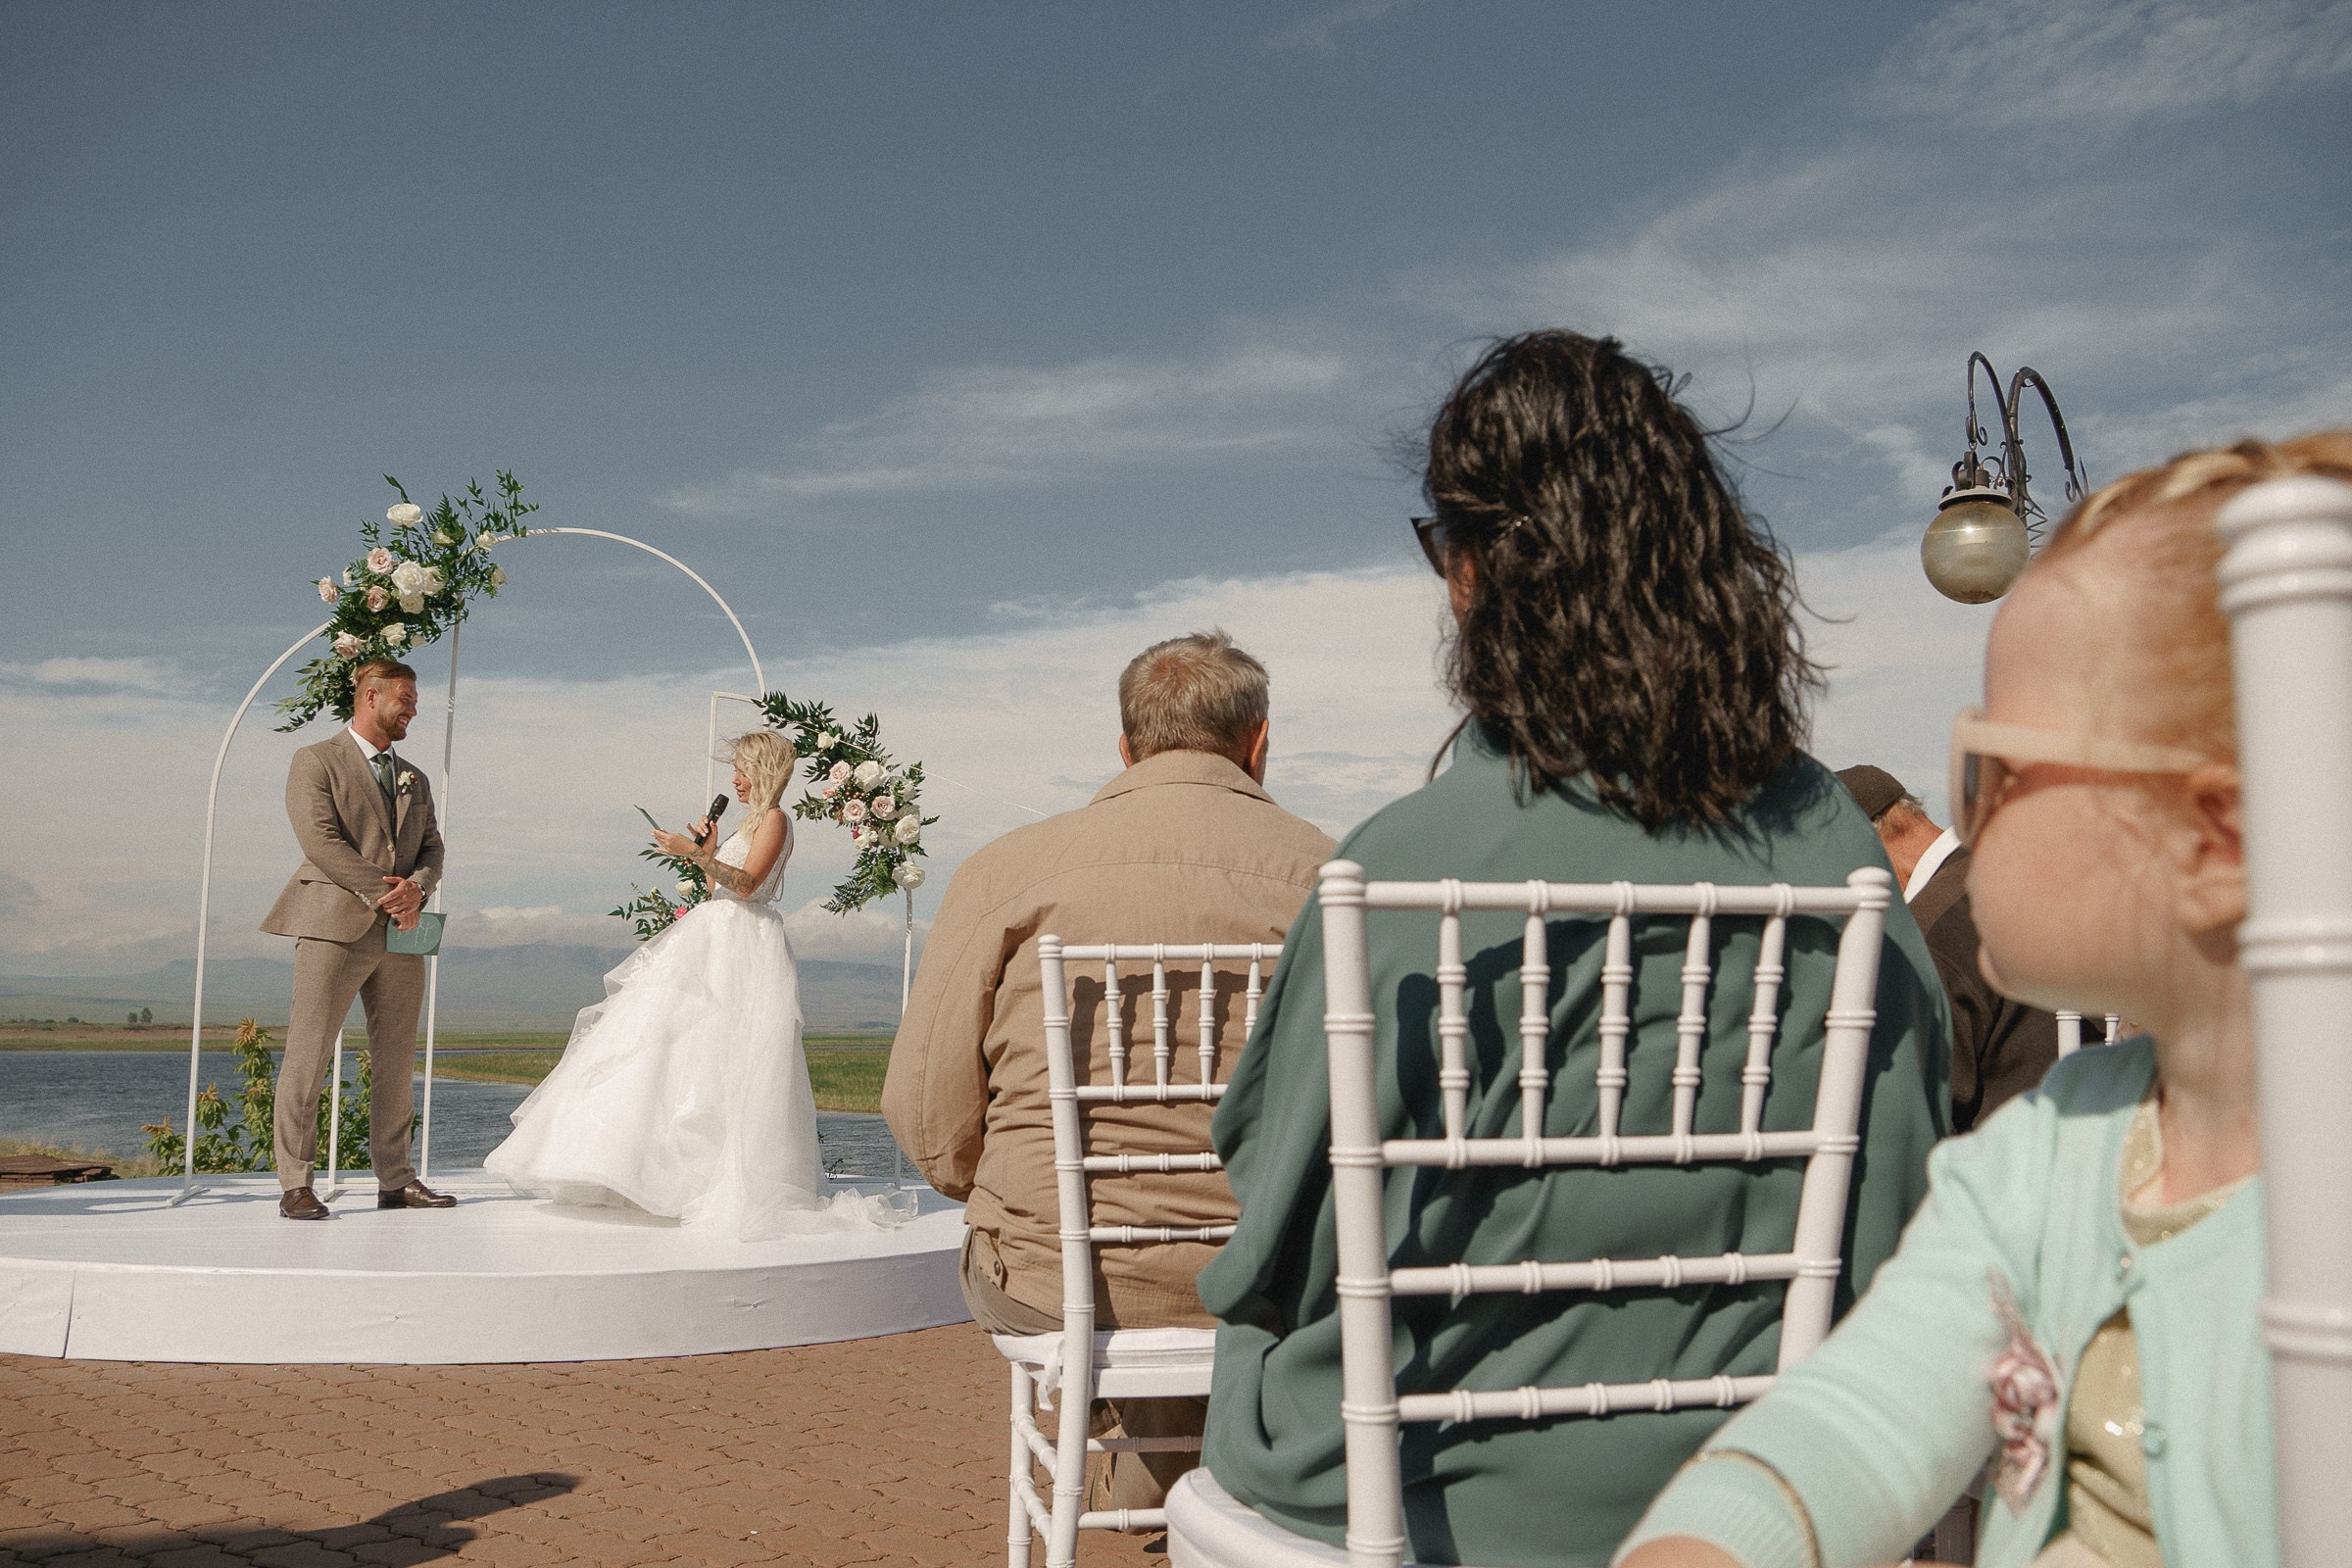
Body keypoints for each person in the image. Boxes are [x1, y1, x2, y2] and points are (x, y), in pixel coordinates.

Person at [1196, 331, 1950, 1566]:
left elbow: (1280, 1233)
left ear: (1475, 573)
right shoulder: (1840, 853)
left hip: (1435, 1483)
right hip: (1774, 1473)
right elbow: (1904, 1193)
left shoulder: (1396, 869)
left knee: (1240, 1332)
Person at [1618, 432, 2352, 1568]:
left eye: (1992, 767)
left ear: (2218, 840)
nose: (1970, 813)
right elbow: (1854, 1425)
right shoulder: (2053, 1149)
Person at [883, 629, 1336, 1510]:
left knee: (1093, 1260)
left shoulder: (1007, 871)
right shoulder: (1333, 875)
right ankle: (1200, 1475)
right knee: (1217, 1268)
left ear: (1127, 748)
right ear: (1260, 743)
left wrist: (1003, 1187)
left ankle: (1151, 1467)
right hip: (1278, 1277)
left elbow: (926, 1119)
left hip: (1054, 1275)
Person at [486, 730, 841, 1241]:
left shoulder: (777, 820)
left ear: (765, 770)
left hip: (742, 944)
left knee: (730, 1054)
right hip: (716, 935)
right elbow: (723, 887)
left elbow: (749, 886)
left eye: (742, 769)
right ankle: (644, 1169)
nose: (735, 780)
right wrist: (710, 853)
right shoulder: (749, 823)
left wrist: (692, 854)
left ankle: (709, 1178)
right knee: (677, 1044)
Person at [261, 659, 453, 1220]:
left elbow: (434, 849)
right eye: (405, 699)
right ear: (370, 697)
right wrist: (383, 892)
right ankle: (295, 1183)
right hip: (331, 929)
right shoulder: (315, 760)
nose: (413, 708)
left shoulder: (413, 776)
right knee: (309, 1054)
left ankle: (396, 1180)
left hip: (403, 934)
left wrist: (417, 889)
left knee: (396, 1060)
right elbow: (319, 841)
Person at [1837, 763, 2061, 1130]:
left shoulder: (1929, 928)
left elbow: (1922, 1102)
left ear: (1865, 845)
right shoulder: (2014, 869)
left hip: (1998, 1160)